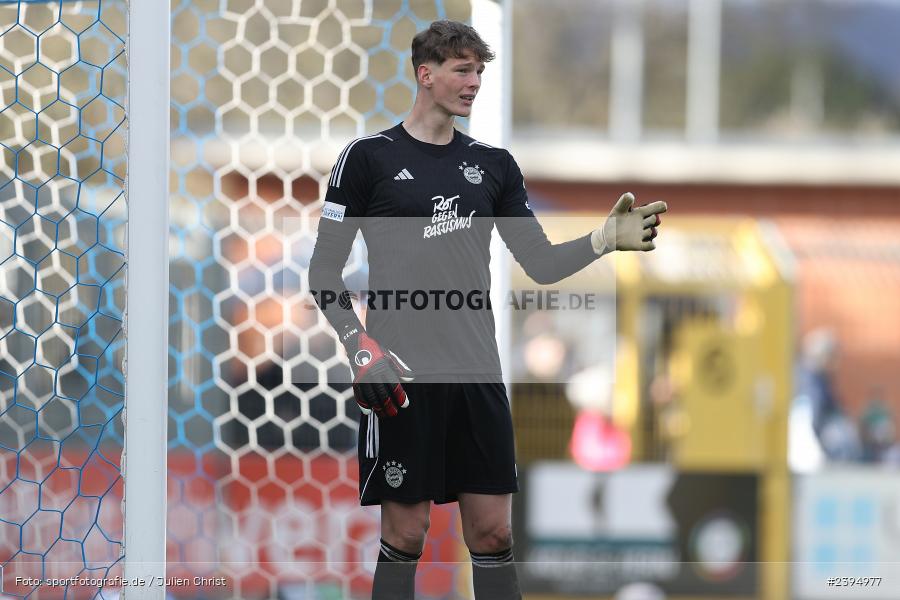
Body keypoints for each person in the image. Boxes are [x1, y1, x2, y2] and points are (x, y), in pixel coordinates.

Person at [308, 20, 667, 600]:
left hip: (476, 373)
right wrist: (359, 346)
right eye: (462, 70)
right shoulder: (367, 159)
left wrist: (602, 240)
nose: (474, 82)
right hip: (400, 377)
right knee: (407, 531)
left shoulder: (494, 165)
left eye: (479, 71)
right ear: (425, 74)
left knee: (493, 532)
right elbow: (323, 272)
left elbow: (541, 263)